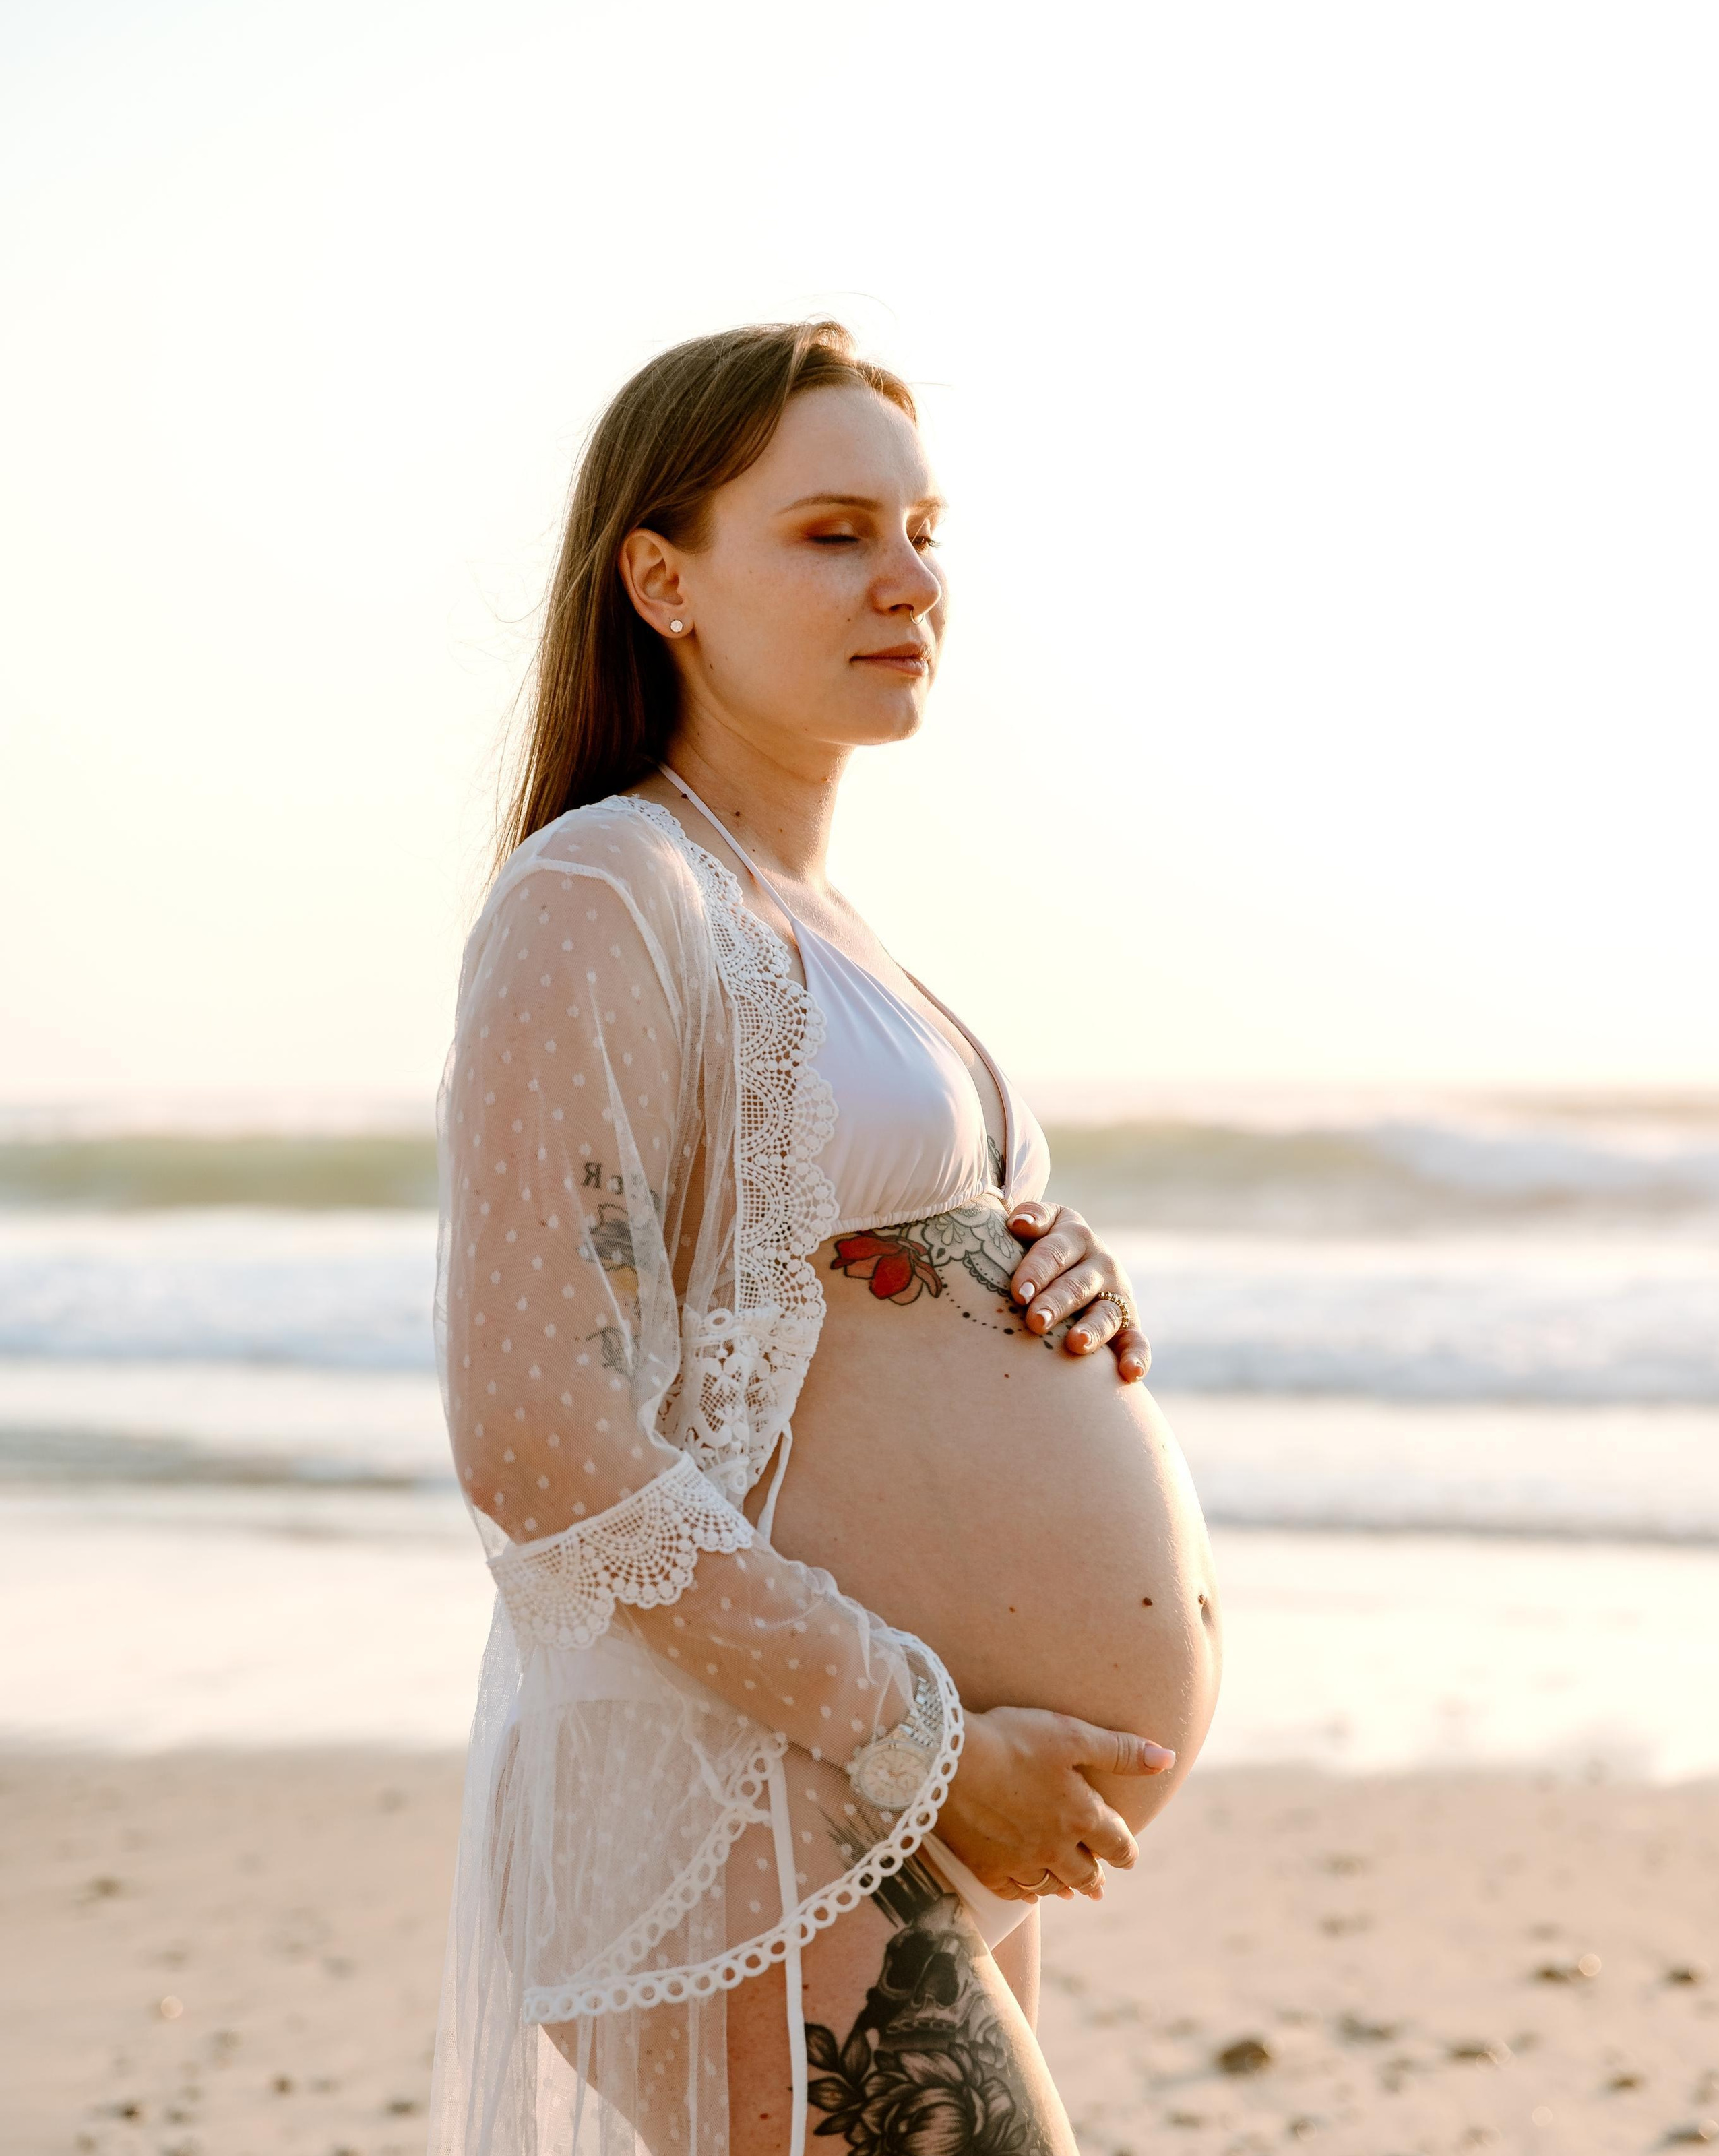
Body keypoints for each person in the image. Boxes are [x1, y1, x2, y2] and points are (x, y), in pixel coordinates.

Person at [427, 322, 1222, 2156]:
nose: (911, 579)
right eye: (835, 531)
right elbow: (541, 1435)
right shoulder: (601, 893)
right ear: (662, 578)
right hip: (758, 1790)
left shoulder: (825, 923)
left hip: (881, 1796)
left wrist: (1060, 1285)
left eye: (925, 529)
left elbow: (830, 1298)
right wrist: (933, 1743)